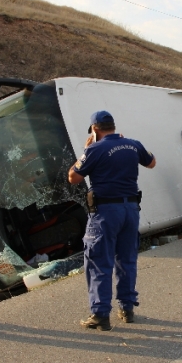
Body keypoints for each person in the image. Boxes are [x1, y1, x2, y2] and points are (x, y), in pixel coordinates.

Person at [68, 110, 156, 330]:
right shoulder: (133, 144)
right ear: (114, 127)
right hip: (131, 210)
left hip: (106, 212)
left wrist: (85, 151)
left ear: (95, 129)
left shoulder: (95, 149)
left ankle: (100, 314)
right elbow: (152, 162)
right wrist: (132, 147)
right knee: (126, 259)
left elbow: (73, 177)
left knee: (99, 261)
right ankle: (127, 308)